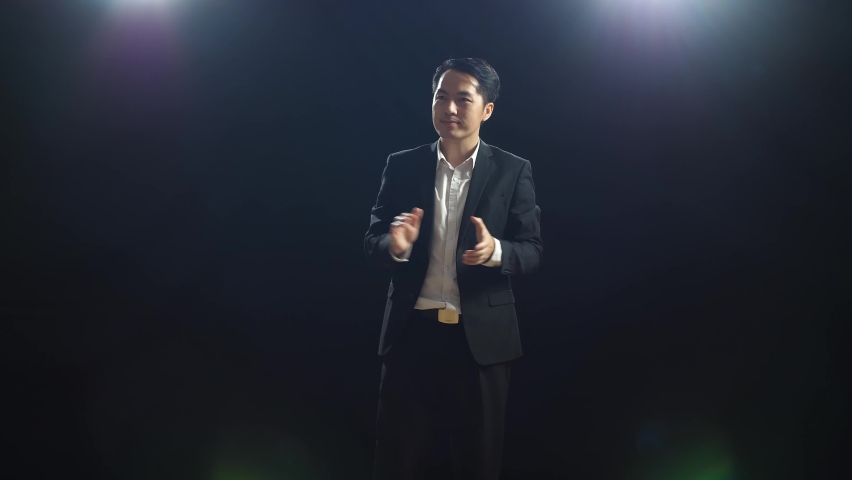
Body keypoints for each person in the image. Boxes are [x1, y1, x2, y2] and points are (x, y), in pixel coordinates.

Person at [364, 57, 543, 480]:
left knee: (477, 462)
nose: (449, 108)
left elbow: (532, 250)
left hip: (480, 343)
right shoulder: (402, 165)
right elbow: (372, 242)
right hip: (412, 334)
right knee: (396, 460)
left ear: (487, 110)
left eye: (463, 99)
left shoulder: (513, 170)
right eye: (441, 97)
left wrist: (495, 250)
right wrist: (396, 245)